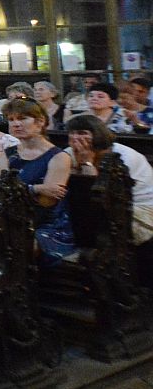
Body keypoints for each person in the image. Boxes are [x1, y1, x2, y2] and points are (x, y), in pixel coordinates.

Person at [67, 114, 153, 287]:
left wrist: (87, 164)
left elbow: (105, 195)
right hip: (92, 207)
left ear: (98, 134)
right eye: (72, 133)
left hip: (138, 206)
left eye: (83, 133)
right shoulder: (68, 153)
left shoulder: (123, 156)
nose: (76, 138)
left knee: (100, 221)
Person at [0, 98, 75, 265]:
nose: (16, 124)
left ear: (40, 122)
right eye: (11, 119)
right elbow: (1, 191)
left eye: (23, 118)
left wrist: (21, 191)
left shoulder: (59, 157)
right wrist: (37, 188)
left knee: (20, 244)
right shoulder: (7, 154)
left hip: (48, 226)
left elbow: (47, 201)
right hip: (12, 219)